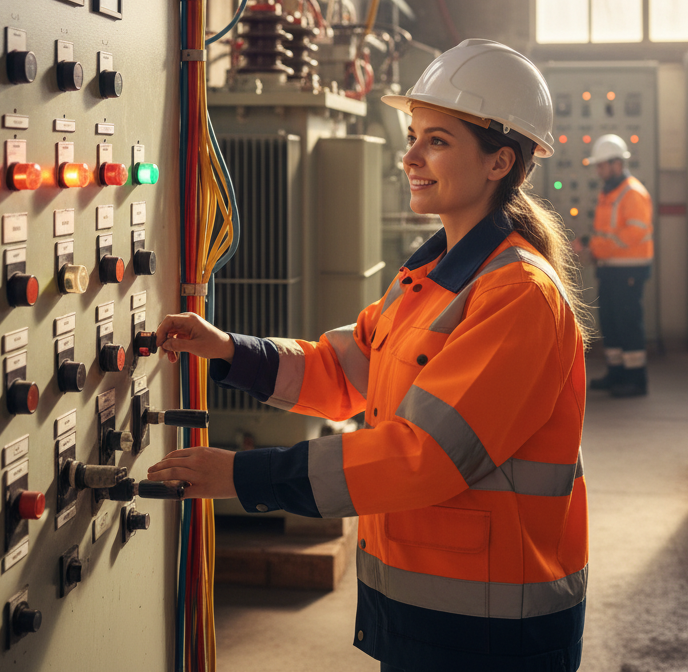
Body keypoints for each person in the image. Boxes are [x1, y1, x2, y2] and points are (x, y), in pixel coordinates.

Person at [147, 39, 590, 672]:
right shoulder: (433, 274)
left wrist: (243, 476)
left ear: (500, 161)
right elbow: (346, 371)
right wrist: (225, 350)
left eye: (436, 140)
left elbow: (423, 457)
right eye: (413, 135)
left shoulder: (518, 295)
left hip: (492, 626)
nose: (408, 156)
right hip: (426, 604)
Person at [585, 134, 653, 398]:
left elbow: (633, 233)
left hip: (629, 270)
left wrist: (597, 247)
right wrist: (593, 246)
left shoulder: (632, 193)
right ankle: (617, 373)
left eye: (601, 165)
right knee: (610, 322)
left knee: (627, 322)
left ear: (616, 164)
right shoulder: (610, 192)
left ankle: (636, 380)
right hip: (611, 267)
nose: (598, 171)